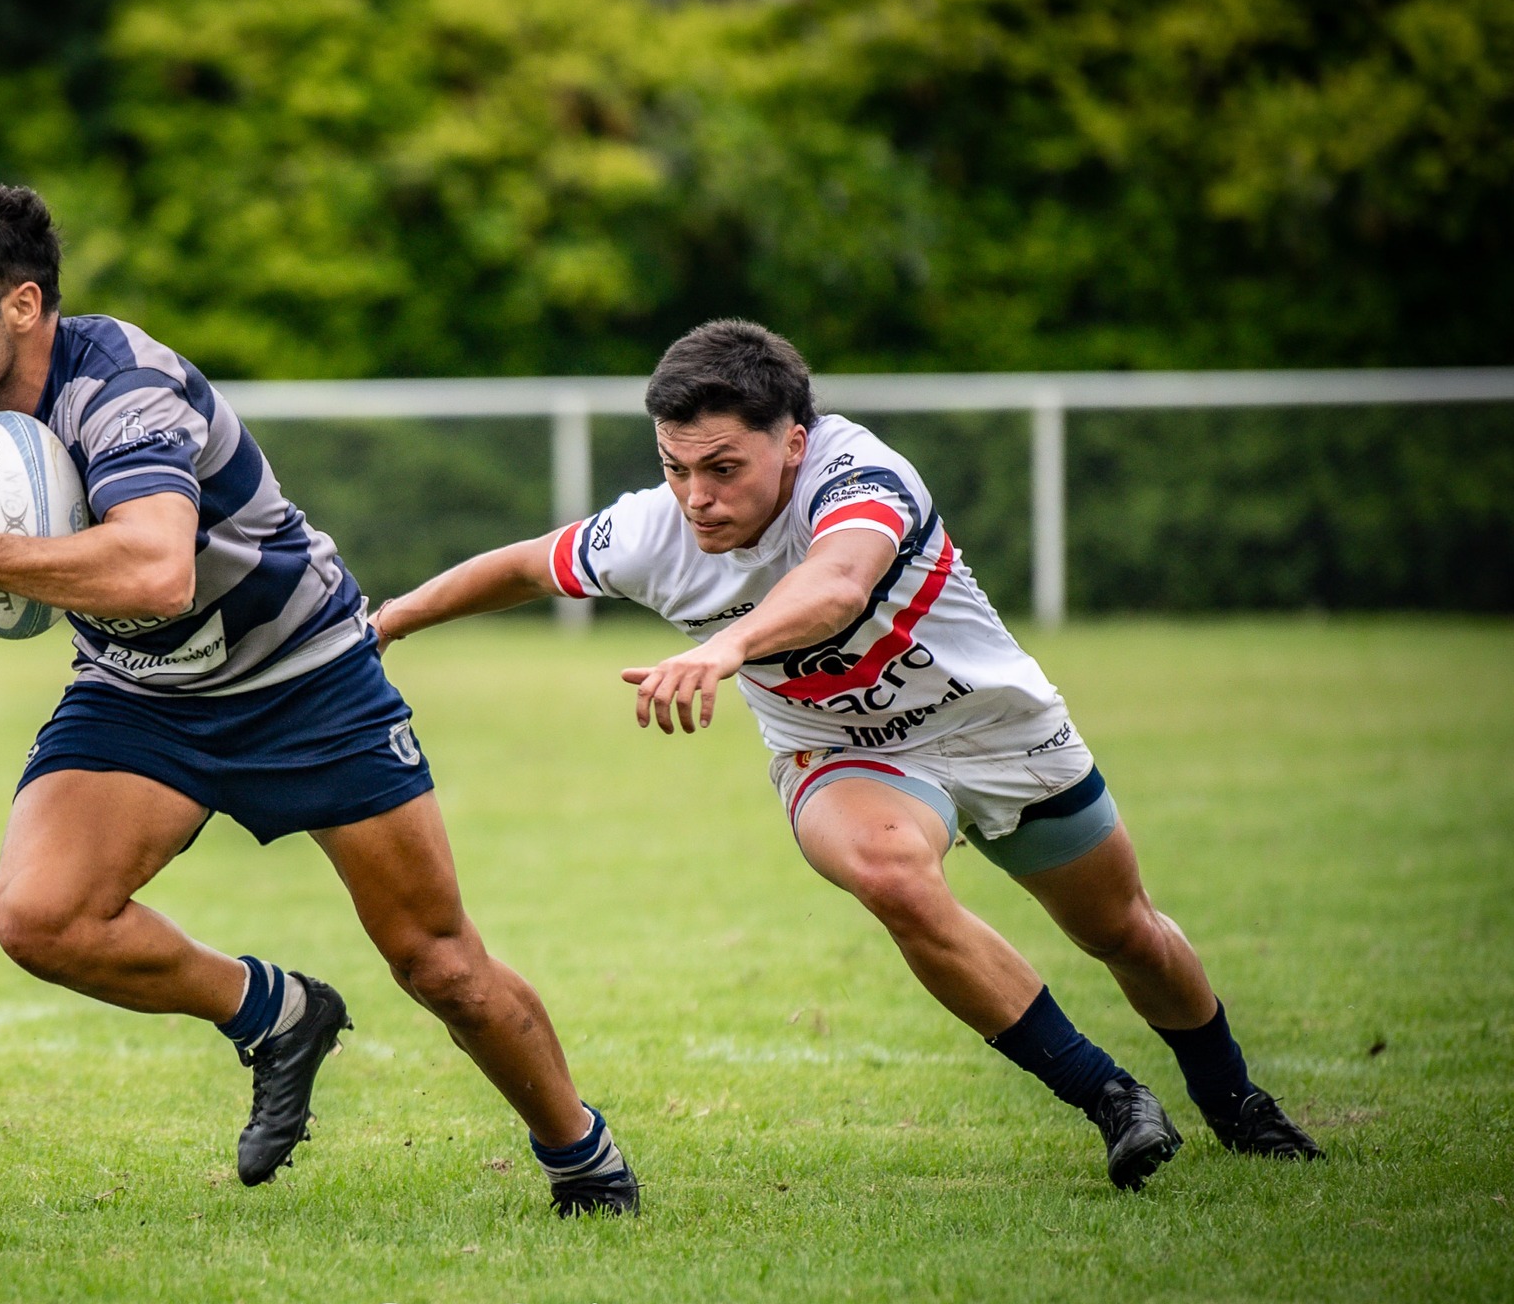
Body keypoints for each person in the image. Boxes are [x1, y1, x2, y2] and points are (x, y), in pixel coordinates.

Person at [371, 319, 1322, 1189]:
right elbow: (527, 563)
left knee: (1123, 931)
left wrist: (726, 644)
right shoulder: (655, 532)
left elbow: (836, 582)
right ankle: (1112, 1098)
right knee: (891, 874)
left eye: (722, 468)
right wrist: (393, 620)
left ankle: (1238, 1103)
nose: (697, 498)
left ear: (793, 438)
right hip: (839, 752)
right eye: (674, 467)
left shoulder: (860, 473)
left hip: (998, 727)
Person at [0, 170, 637, 1216]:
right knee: (39, 915)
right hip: (141, 689)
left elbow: (157, 572)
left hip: (303, 681)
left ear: (21, 306)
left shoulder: (125, 388)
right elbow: (3, 546)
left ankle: (580, 1155)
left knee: (437, 964)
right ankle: (276, 1016)